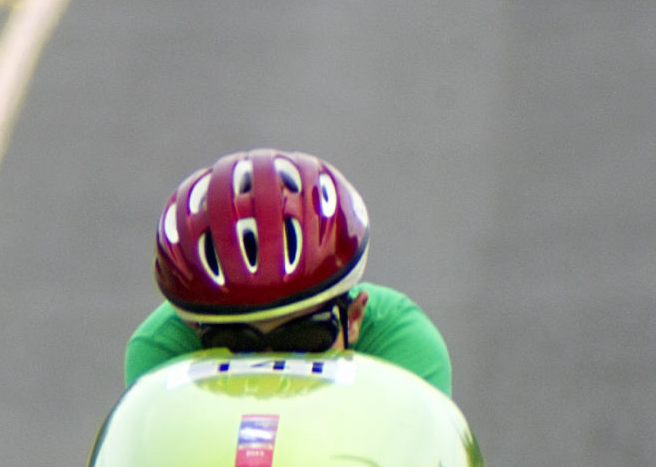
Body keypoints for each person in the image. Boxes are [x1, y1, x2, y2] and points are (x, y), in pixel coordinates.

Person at [125, 149, 452, 396]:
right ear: (192, 328)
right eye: (236, 343)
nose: (271, 371)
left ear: (354, 317)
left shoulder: (406, 347)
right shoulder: (159, 351)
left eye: (304, 338)